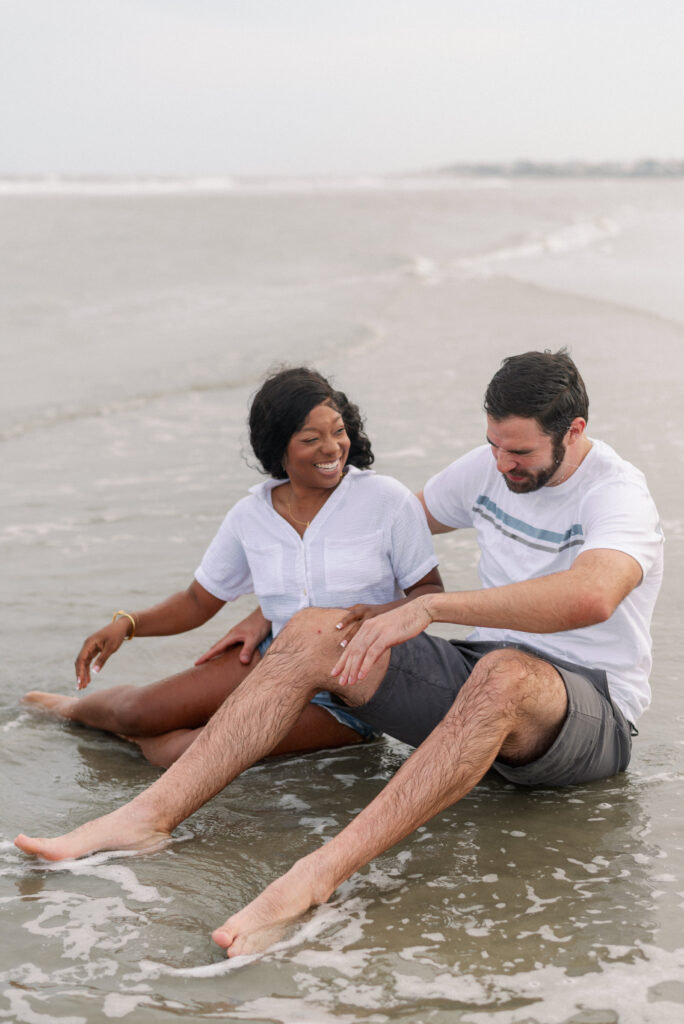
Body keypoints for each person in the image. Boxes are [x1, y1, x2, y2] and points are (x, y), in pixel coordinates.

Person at [15, 350, 664, 961]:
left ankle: (315, 877)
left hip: (586, 712)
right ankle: (144, 820)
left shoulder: (616, 493)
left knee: (505, 672)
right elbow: (370, 523)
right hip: (477, 687)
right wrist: (270, 608)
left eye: (518, 451)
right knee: (316, 627)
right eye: (493, 445)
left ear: (574, 431)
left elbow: (594, 595)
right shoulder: (487, 466)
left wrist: (435, 607)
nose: (501, 464)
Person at [23, 367, 442, 766]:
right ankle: (75, 711)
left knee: (185, 755)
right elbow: (197, 601)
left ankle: (142, 741)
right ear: (278, 446)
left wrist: (377, 616)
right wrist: (127, 624)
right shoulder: (250, 515)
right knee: (136, 711)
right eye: (311, 438)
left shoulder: (385, 500)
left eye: (338, 431)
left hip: (353, 695)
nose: (332, 448)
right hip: (272, 662)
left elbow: (429, 594)